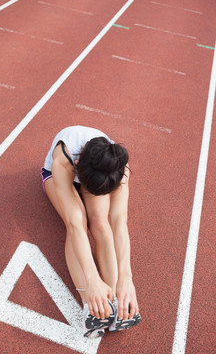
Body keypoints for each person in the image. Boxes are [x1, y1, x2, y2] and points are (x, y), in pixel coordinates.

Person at [41, 125, 141, 338]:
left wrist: (126, 277)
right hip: (57, 175)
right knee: (79, 220)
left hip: (96, 175)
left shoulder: (118, 167)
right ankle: (90, 304)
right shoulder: (64, 160)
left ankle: (114, 302)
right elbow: (75, 225)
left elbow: (119, 222)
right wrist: (92, 280)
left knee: (100, 223)